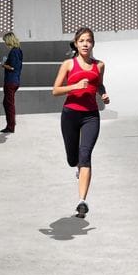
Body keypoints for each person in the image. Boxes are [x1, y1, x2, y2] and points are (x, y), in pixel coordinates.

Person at [50, 27, 109, 218]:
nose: (85, 44)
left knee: (85, 156)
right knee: (72, 159)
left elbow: (98, 83)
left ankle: (81, 202)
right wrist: (75, 86)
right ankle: (77, 168)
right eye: (82, 41)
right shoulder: (68, 64)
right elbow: (55, 90)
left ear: (93, 44)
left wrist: (103, 94)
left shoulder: (99, 65)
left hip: (91, 116)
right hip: (70, 115)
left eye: (89, 41)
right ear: (76, 43)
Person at [0, 32, 23, 134]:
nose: (5, 43)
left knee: (9, 104)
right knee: (7, 103)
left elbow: (12, 67)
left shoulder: (13, 52)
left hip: (10, 81)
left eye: (5, 41)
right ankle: (11, 122)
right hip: (16, 80)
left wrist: (3, 65)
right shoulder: (19, 51)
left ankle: (10, 126)